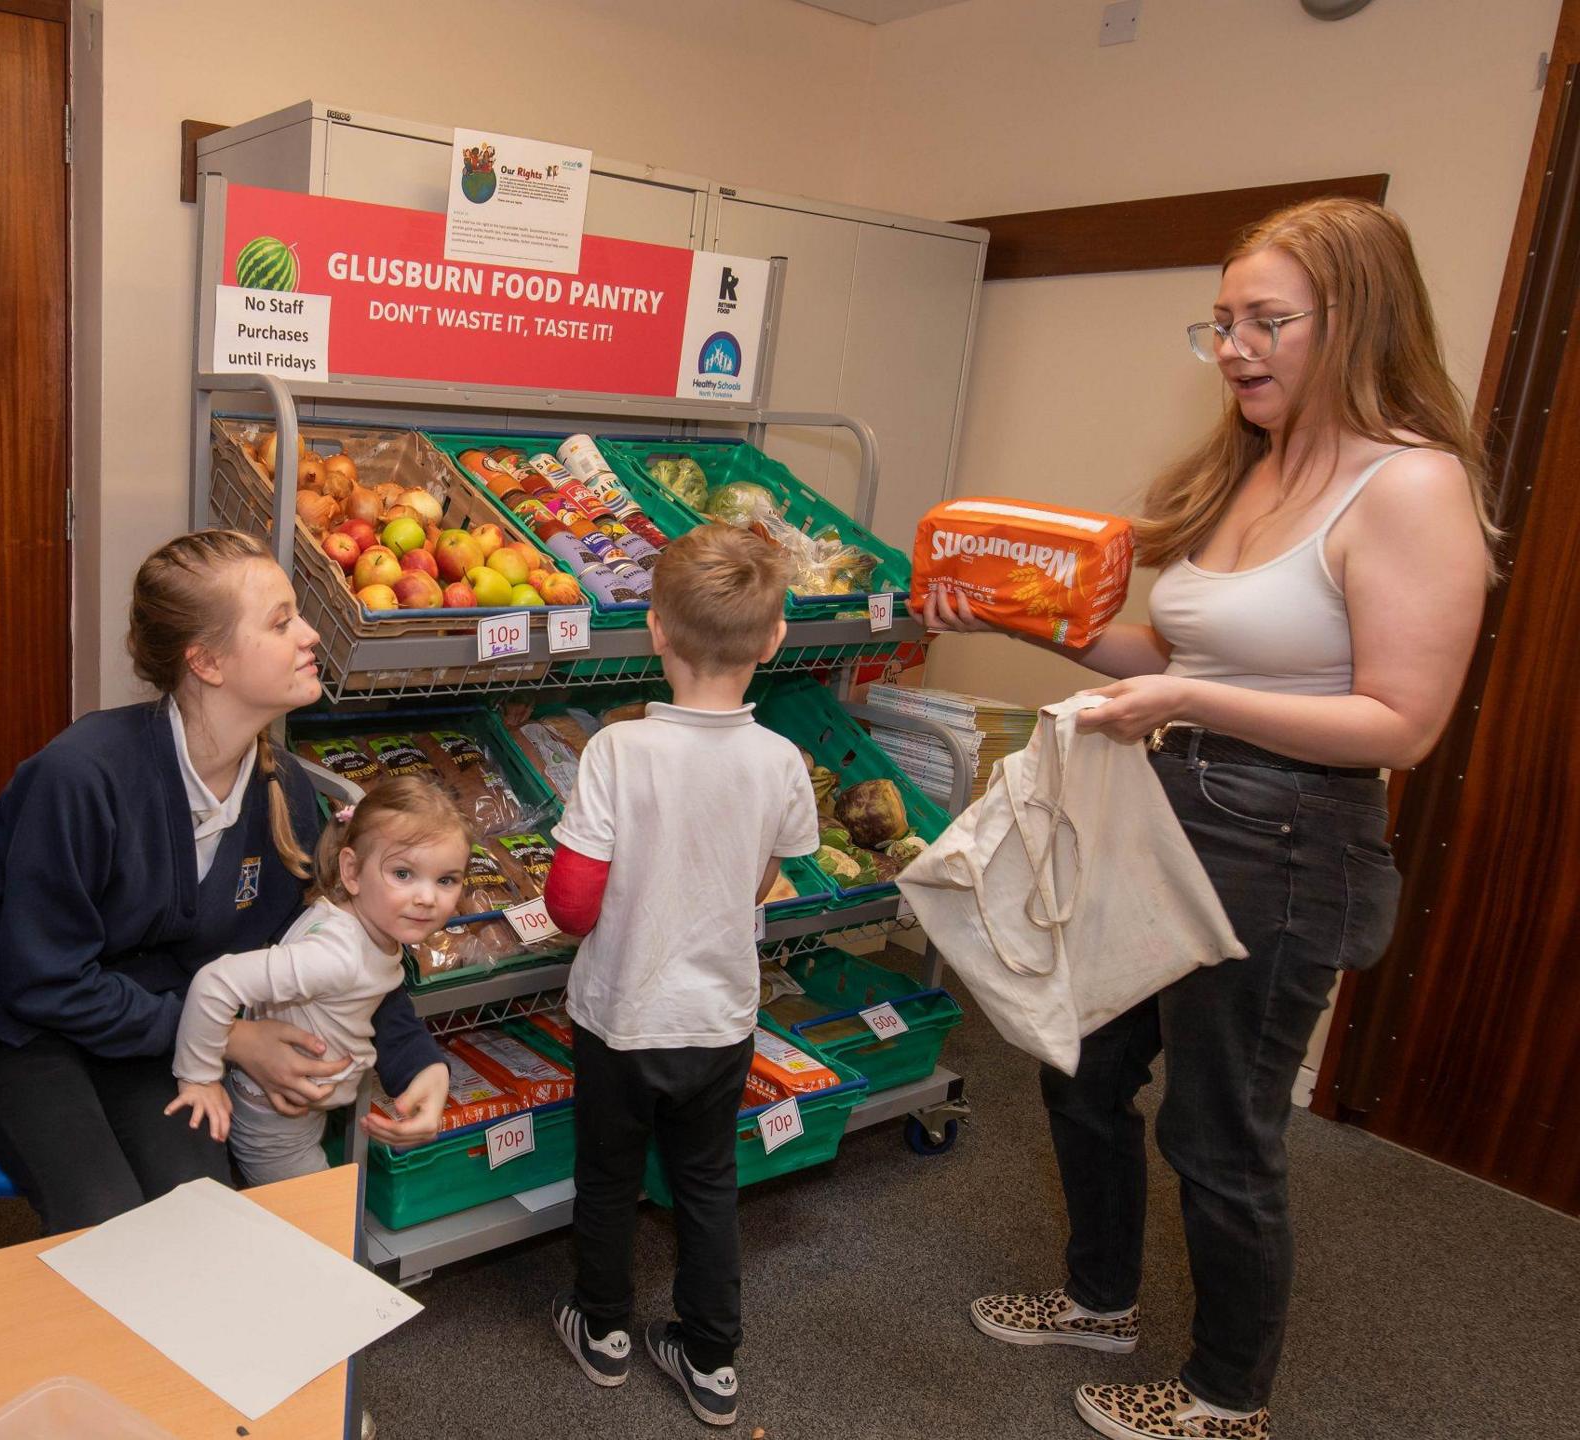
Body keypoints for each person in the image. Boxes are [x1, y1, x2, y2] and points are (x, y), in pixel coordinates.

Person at [925, 198, 1497, 1440]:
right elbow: (1163, 649)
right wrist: (1030, 618)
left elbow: (1400, 722)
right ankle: (1098, 1300)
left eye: (1265, 321)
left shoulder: (1410, 485)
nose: (1234, 347)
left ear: (1354, 320)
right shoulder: (1250, 461)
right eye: (1220, 323)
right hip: (1166, 809)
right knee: (1077, 1066)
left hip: (1284, 841)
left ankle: (1225, 1397)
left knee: (1217, 1132)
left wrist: (1190, 694)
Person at [0, 529, 451, 1233]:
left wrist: (415, 1060)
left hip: (160, 1025)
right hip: (21, 1031)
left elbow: (345, 944)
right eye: (280, 622)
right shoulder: (81, 777)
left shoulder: (287, 795)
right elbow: (40, 981)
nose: (309, 635)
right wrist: (234, 1041)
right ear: (207, 661)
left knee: (201, 1215)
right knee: (106, 1221)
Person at [539, 523, 822, 1430]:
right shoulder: (780, 761)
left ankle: (605, 1329)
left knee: (610, 1177)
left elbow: (572, 906)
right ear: (776, 640)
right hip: (720, 1020)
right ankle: (711, 1359)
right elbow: (763, 878)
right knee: (706, 1182)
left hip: (622, 1015)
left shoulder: (618, 753)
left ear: (655, 630)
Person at [168, 777, 467, 1183]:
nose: (428, 898)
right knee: (317, 1233)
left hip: (298, 1110)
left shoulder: (361, 920)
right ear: (352, 871)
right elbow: (215, 982)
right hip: (276, 1126)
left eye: (446, 880)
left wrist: (426, 1067)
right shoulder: (337, 956)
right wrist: (198, 1077)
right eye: (403, 873)